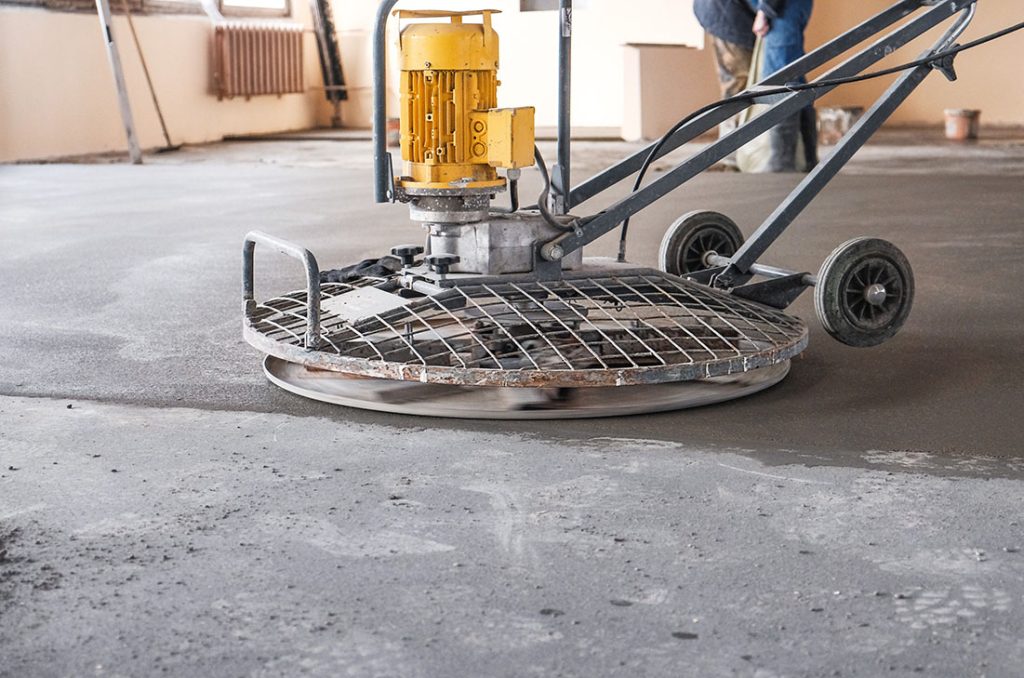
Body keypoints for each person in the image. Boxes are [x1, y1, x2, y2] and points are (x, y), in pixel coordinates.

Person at [693, 0, 816, 172]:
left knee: (784, 76)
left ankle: (795, 158)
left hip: (767, 10)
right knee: (750, 83)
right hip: (728, 13)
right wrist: (766, 10)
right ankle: (735, 156)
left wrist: (765, 11)